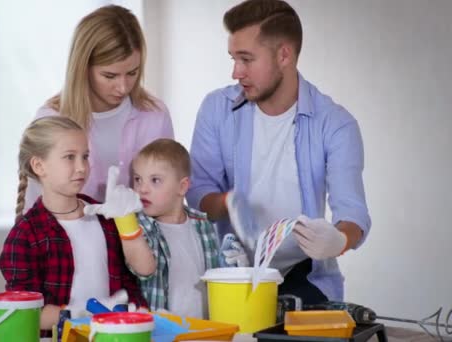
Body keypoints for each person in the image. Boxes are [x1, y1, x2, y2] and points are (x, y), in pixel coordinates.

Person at [187, 0, 371, 304]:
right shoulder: (216, 109)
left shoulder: (336, 124)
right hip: (231, 270)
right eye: (233, 58)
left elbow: (353, 213)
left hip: (304, 275)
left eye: (246, 59)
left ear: (284, 54)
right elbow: (197, 197)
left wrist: (338, 241)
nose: (235, 72)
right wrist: (227, 202)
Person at [0, 116, 151, 333]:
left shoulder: (105, 215)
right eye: (69, 157)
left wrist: (126, 220)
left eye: (85, 156)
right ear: (39, 165)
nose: (82, 167)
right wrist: (78, 314)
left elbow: (144, 270)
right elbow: (24, 313)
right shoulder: (25, 235)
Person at [24, 4, 174, 211]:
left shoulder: (155, 115)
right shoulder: (50, 120)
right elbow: (35, 209)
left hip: (142, 241)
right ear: (83, 68)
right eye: (110, 76)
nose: (123, 87)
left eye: (132, 73)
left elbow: (168, 200)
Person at [128, 138, 247, 318]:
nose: (142, 189)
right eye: (138, 179)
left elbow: (214, 273)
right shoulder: (139, 228)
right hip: (159, 332)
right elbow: (142, 269)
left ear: (182, 186)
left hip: (204, 329)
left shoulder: (202, 224)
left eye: (155, 180)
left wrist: (234, 268)